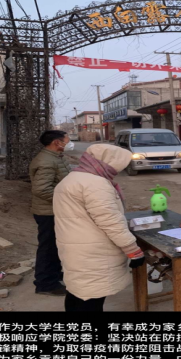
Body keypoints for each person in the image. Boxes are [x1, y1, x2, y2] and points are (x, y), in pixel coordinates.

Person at [53, 144, 145, 312]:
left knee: (78, 291)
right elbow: (110, 221)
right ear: (109, 162)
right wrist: (133, 250)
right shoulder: (95, 184)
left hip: (76, 246)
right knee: (92, 297)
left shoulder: (75, 177)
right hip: (94, 252)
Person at [29, 130, 72, 296]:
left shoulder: (56, 157)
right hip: (47, 212)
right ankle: (45, 284)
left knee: (56, 246)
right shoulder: (46, 161)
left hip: (55, 210)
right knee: (48, 248)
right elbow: (41, 189)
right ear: (56, 142)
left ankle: (54, 274)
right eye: (66, 141)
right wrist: (66, 199)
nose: (68, 144)